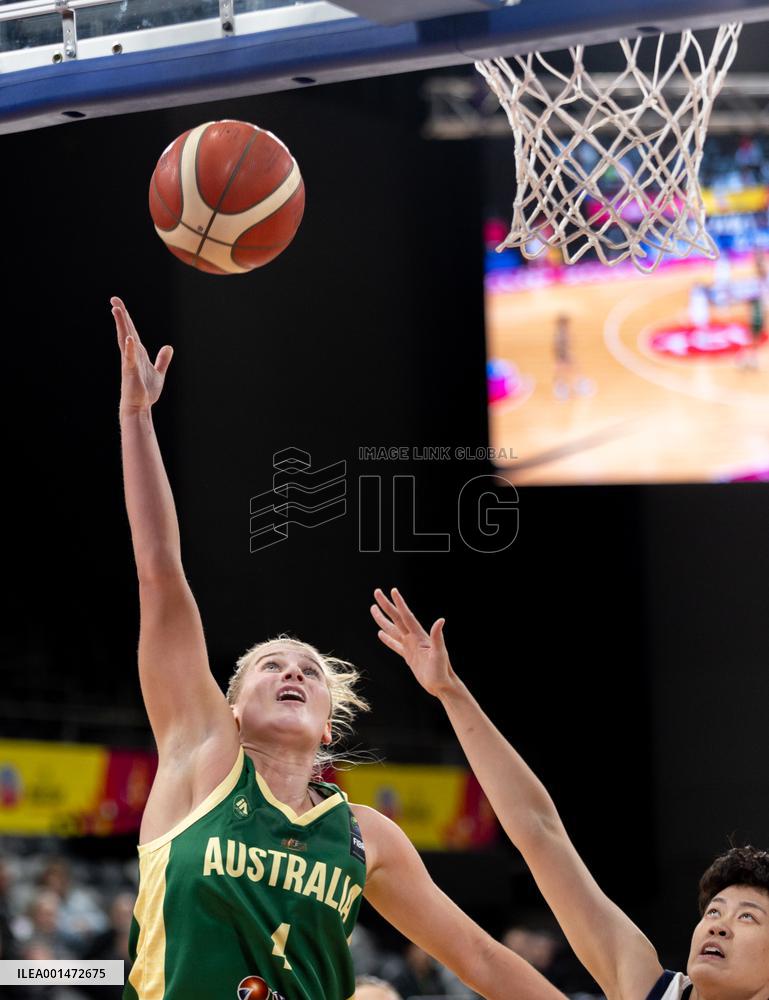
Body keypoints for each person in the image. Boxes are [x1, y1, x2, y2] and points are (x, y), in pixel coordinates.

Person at [111, 297, 567, 1000]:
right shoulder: (202, 755)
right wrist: (137, 420)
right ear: (229, 708)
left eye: (309, 671)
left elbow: (476, 956)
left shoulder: (365, 838)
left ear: (329, 724)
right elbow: (160, 572)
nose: (293, 669)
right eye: (271, 664)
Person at [371, 587, 769, 1000]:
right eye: (715, 912)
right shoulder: (649, 988)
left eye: (748, 918)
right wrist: (450, 691)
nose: (719, 925)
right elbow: (540, 832)